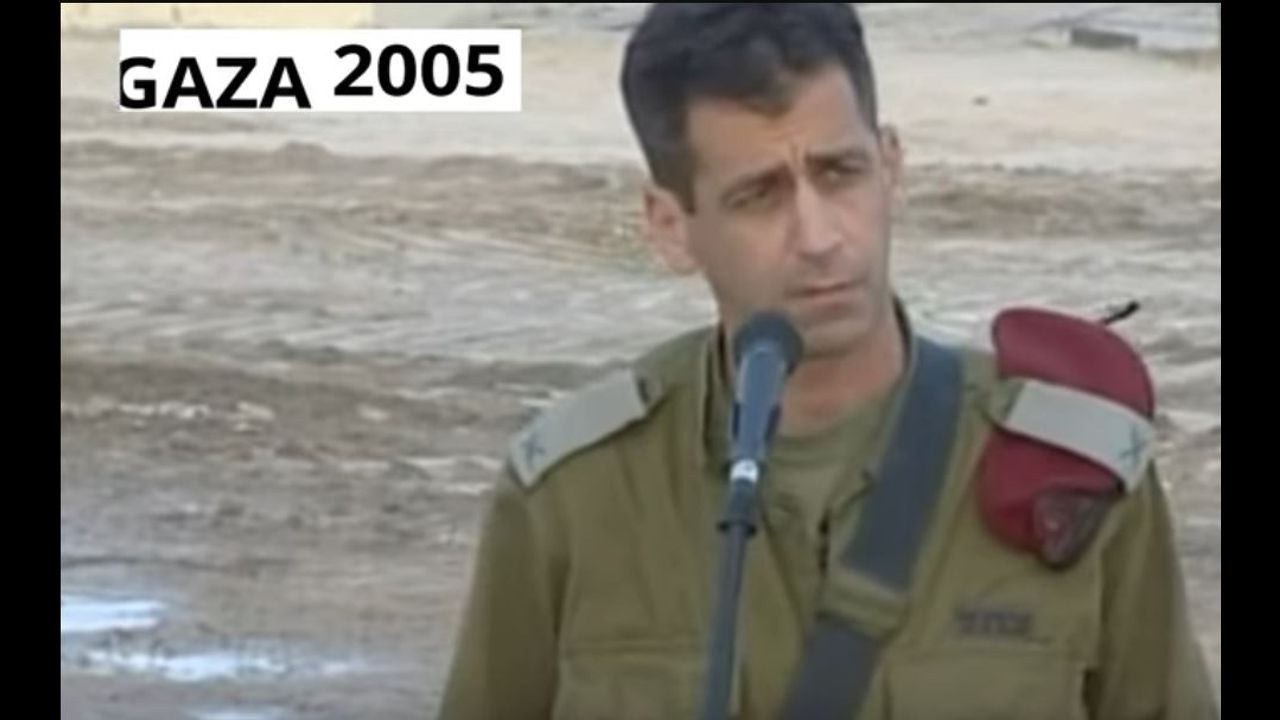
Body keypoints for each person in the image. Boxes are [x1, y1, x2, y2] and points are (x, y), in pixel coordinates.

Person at [439, 4, 1217, 718]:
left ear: (891, 167)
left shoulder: (1073, 476)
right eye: (759, 196)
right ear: (671, 225)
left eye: (840, 173)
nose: (818, 237)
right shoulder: (577, 495)